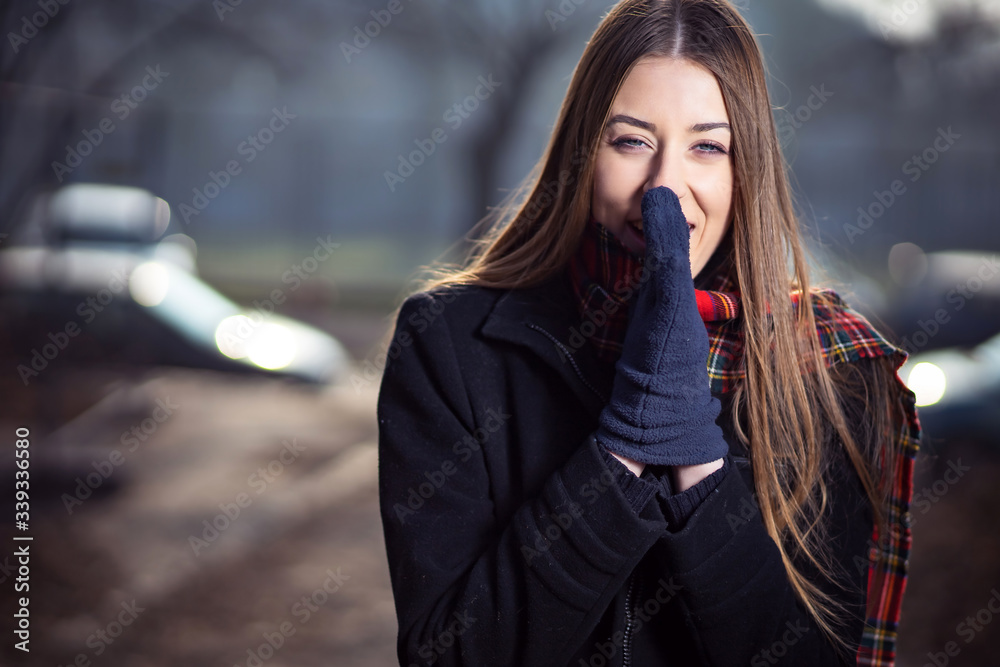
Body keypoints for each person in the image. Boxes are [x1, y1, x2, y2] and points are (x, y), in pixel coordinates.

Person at [377, 0, 921, 665]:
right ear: (584, 153)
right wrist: (623, 451)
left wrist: (697, 461)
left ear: (745, 169)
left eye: (707, 146)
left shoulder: (833, 369)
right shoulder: (449, 344)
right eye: (631, 140)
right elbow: (448, 655)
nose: (665, 186)